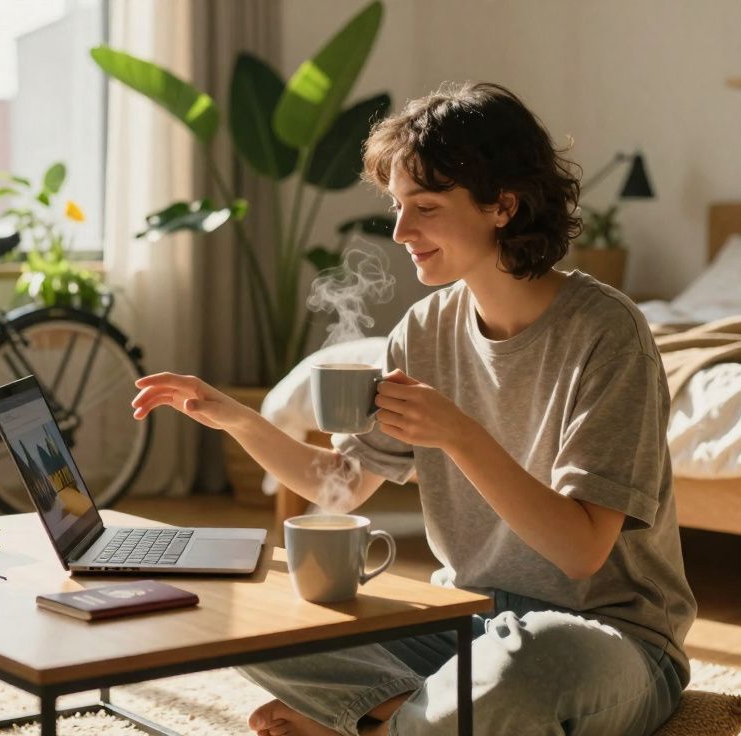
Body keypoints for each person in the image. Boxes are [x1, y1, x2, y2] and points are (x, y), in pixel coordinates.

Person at [130, 82, 695, 736]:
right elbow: (339, 487)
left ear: (503, 206)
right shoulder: (423, 331)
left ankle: (368, 722)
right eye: (398, 206)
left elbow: (580, 553)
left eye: (424, 207)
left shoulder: (607, 332)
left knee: (522, 675)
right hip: (460, 624)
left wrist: (458, 435)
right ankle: (407, 721)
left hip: (599, 638)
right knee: (251, 620)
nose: (401, 231)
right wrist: (234, 416)